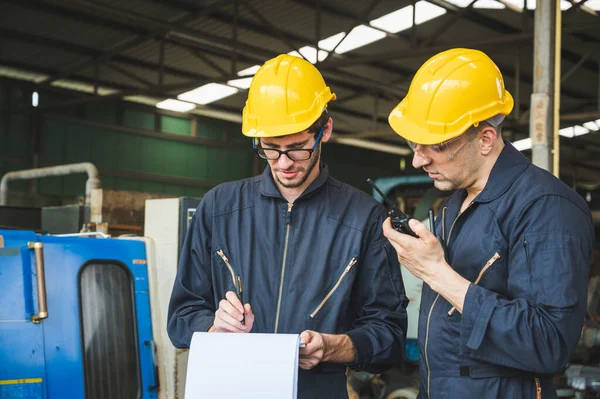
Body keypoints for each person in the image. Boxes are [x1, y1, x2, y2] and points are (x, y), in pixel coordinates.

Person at [167, 54, 408, 399]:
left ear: (324, 130)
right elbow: (181, 315)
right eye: (270, 149)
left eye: (297, 149)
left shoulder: (363, 218)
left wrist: (334, 347)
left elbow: (390, 334)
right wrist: (211, 327)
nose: (283, 164)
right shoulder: (219, 208)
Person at [382, 48, 594, 398]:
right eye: (414, 143)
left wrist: (437, 273)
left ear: (485, 139)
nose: (418, 159)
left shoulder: (547, 208)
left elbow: (548, 343)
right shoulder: (455, 203)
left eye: (435, 146)